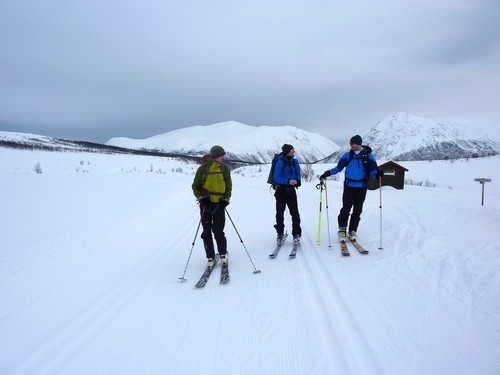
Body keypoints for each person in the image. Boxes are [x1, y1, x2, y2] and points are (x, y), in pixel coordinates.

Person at [319, 135, 383, 241]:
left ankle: (353, 231)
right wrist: (328, 173)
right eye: (350, 143)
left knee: (357, 210)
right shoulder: (347, 155)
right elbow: (339, 168)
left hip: (362, 187)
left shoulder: (368, 156)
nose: (350, 145)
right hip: (349, 186)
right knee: (346, 209)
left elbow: (372, 171)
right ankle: (342, 230)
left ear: (358, 144)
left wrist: (377, 174)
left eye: (351, 143)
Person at [192, 145, 232, 268]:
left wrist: (226, 200)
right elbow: (195, 186)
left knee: (218, 230)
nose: (223, 157)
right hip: (206, 204)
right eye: (221, 155)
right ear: (215, 156)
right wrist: (201, 199)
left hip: (219, 204)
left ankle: (223, 254)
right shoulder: (202, 169)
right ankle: (210, 257)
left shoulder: (225, 169)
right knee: (206, 231)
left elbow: (229, 186)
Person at [273, 144, 302, 245]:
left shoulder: (295, 161)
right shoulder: (280, 162)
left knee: (295, 213)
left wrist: (298, 181)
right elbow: (276, 177)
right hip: (281, 190)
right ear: (287, 151)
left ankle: (297, 234)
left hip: (291, 191)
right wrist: (288, 181)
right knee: (280, 213)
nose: (294, 152)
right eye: (292, 150)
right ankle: (280, 234)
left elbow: (298, 173)